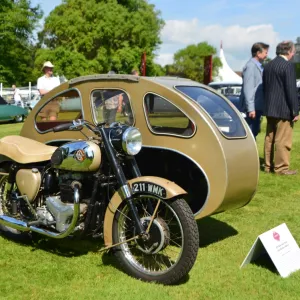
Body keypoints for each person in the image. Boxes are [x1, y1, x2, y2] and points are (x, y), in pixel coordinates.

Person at [263, 41, 299, 175]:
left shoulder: (268, 65)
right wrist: (295, 110)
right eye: (293, 51)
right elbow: (291, 90)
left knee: (269, 139)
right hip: (283, 109)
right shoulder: (288, 66)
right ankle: (281, 168)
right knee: (282, 140)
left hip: (270, 108)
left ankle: (268, 166)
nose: (294, 53)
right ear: (289, 51)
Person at [239, 42, 269, 139]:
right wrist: (251, 108)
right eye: (265, 52)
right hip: (253, 108)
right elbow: (248, 88)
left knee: (254, 132)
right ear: (258, 53)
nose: (266, 55)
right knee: (251, 134)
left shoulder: (258, 66)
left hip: (257, 106)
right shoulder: (251, 66)